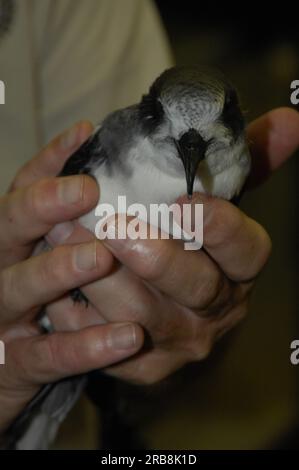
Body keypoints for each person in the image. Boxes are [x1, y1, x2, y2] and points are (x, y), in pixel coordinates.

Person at [0, 0, 298, 449]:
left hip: (89, 370)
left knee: (53, 405)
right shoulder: (112, 139)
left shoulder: (232, 170)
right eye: (175, 129)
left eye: (204, 134)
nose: (190, 154)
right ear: (147, 115)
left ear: (236, 124)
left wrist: (192, 321)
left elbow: (193, 320)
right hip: (44, 308)